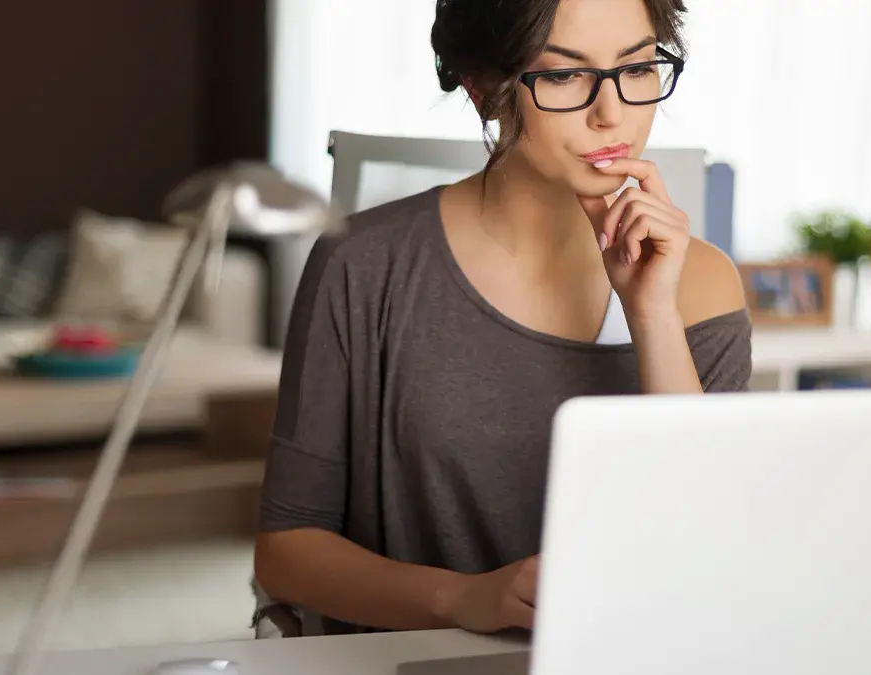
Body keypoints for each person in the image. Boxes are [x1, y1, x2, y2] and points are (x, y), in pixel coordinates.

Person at [252, 0, 752, 638]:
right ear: (483, 86)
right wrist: (462, 599)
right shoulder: (362, 263)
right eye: (564, 75)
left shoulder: (700, 283)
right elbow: (289, 550)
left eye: (638, 67)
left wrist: (652, 312)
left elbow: (708, 552)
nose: (613, 113)